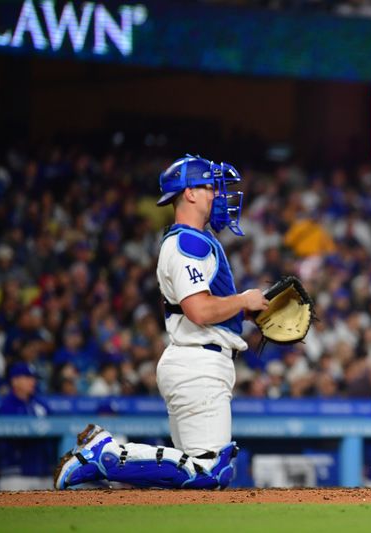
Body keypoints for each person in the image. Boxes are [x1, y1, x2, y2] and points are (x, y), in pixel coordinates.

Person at [54, 155, 269, 490]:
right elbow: (198, 310)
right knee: (209, 471)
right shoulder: (188, 242)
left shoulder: (191, 239)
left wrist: (243, 312)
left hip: (196, 359)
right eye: (210, 186)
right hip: (198, 363)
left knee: (192, 481)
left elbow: (194, 309)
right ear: (190, 194)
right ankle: (107, 454)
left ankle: (107, 453)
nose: (217, 194)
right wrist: (243, 299)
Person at [0, 362, 56, 490]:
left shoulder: (41, 406)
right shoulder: (5, 408)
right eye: (27, 377)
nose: (32, 381)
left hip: (44, 473)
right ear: (15, 381)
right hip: (14, 474)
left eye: (33, 378)